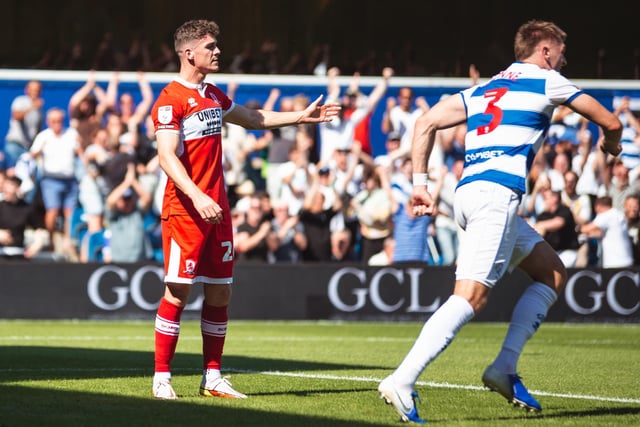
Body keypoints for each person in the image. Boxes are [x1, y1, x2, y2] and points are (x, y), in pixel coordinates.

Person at [377, 20, 622, 424]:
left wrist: (420, 185)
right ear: (544, 51)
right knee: (470, 297)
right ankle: (402, 380)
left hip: (468, 192)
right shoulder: (548, 81)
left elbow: (425, 123)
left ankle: (504, 368)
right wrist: (611, 144)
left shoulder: (483, 89)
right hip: (496, 195)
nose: (563, 59)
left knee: (552, 272)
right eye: (560, 52)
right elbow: (610, 122)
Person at [149, 19, 340, 400]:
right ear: (189, 53)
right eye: (211, 46)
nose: (218, 51)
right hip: (186, 210)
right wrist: (197, 195)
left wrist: (299, 117)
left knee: (220, 294)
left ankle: (213, 377)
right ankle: (162, 378)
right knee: (178, 292)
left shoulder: (213, 95)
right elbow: (166, 156)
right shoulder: (170, 99)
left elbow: (253, 118)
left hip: (217, 210)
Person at [580, 195, 633, 268]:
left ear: (598, 206)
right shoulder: (618, 214)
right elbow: (604, 234)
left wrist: (576, 228)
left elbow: (585, 229)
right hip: (627, 260)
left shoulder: (606, 215)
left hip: (615, 263)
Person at [3, 80, 44, 171]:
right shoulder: (20, 101)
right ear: (27, 90)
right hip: (15, 145)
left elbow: (38, 130)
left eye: (37, 90)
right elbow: (16, 116)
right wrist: (32, 107)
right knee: (13, 174)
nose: (35, 92)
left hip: (29, 148)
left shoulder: (39, 111)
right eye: (33, 90)